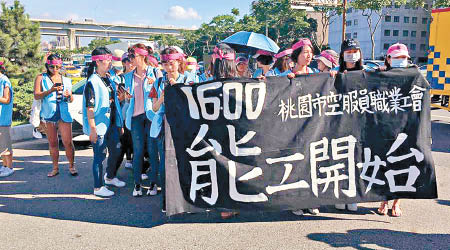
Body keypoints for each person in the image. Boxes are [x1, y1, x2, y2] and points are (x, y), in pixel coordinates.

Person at [150, 46, 198, 211]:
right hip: (164, 128)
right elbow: (154, 108)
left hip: (186, 127)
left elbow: (196, 105)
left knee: (187, 163)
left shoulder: (191, 80)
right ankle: (167, 202)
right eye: (164, 63)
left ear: (179, 62)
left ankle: (189, 201)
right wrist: (163, 96)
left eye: (171, 63)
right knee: (166, 165)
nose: (168, 67)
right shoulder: (158, 82)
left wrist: (177, 88)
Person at [83, 47, 126, 197]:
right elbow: (90, 108)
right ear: (98, 62)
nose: (110, 63)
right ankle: (98, 187)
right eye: (108, 60)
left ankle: (110, 177)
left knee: (117, 149)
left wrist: (120, 100)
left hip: (111, 123)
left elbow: (111, 101)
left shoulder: (108, 78)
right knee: (99, 156)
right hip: (99, 125)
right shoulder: (92, 82)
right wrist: (92, 129)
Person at [377, 43, 413, 217]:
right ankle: (383, 200)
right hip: (385, 128)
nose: (400, 61)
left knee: (402, 166)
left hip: (407, 129)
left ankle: (396, 203)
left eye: (403, 58)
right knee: (385, 165)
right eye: (397, 57)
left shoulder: (414, 76)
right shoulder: (380, 75)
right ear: (388, 58)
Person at [285, 38, 320, 215]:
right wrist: (287, 80)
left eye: (310, 52)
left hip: (312, 125)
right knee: (295, 163)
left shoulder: (315, 73)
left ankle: (310, 200)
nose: (309, 55)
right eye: (305, 52)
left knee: (311, 162)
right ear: (297, 55)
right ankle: (295, 201)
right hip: (292, 126)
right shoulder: (287, 74)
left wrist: (331, 78)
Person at [330, 39, 364, 212]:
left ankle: (353, 196)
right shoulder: (334, 73)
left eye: (354, 51)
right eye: (348, 52)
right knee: (340, 159)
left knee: (357, 160)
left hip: (359, 125)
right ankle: (340, 195)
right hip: (339, 124)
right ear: (342, 55)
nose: (351, 55)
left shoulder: (366, 73)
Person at [33, 54, 76, 177]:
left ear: (61, 65)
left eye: (57, 66)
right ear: (47, 65)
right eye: (52, 67)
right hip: (49, 114)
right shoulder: (41, 78)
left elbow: (71, 99)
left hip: (64, 113)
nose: (55, 69)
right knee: (52, 142)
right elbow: (36, 95)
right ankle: (55, 168)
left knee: (68, 141)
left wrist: (69, 96)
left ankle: (72, 165)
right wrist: (50, 90)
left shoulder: (66, 80)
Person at [123, 43, 156, 197]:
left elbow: (161, 94)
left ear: (142, 56)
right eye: (129, 57)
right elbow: (126, 98)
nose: (130, 60)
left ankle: (153, 184)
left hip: (150, 117)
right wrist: (126, 97)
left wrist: (154, 84)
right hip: (135, 117)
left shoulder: (155, 73)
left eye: (132, 56)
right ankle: (137, 184)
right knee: (137, 151)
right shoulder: (128, 76)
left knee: (152, 150)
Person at [0, 62, 14, 177]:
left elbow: (6, 99)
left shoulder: (5, 81)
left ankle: (9, 167)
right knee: (1, 144)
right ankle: (4, 166)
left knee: (5, 144)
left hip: (3, 118)